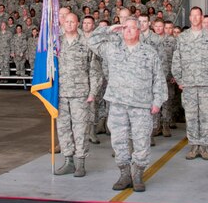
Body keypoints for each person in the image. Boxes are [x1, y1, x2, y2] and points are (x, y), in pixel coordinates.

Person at [86, 17, 166, 193]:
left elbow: (159, 79)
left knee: (141, 140)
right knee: (119, 140)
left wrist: (157, 102)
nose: (128, 30)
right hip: (118, 103)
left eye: (132, 28)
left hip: (141, 104)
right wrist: (108, 29)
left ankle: (137, 173)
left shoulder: (149, 52)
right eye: (125, 28)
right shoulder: (112, 49)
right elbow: (91, 40)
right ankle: (124, 174)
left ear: (139, 31)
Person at [171, 7, 208, 160]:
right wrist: (179, 80)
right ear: (189, 18)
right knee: (191, 116)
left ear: (201, 17)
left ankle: (204, 147)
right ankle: (194, 146)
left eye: (197, 15)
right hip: (188, 84)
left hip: (207, 83)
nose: (194, 18)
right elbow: (176, 60)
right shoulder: (182, 37)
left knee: (206, 116)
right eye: (192, 15)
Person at [53, 13, 99, 177]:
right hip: (60, 93)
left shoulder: (86, 43)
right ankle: (68, 161)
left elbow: (94, 70)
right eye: (67, 21)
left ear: (77, 23)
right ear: (63, 24)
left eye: (73, 21)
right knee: (63, 128)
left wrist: (93, 92)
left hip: (80, 93)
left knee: (80, 129)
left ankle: (80, 163)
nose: (70, 24)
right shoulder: (56, 43)